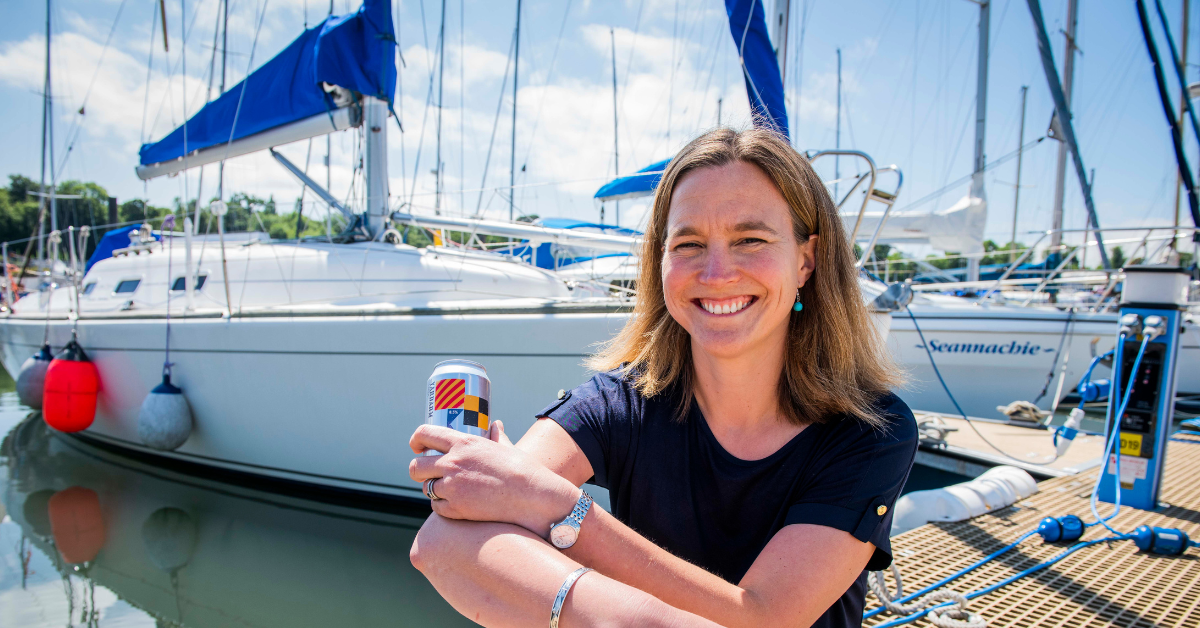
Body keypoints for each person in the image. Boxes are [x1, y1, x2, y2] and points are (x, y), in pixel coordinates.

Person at [408, 127, 917, 628]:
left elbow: (766, 619)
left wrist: (558, 508)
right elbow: (441, 544)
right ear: (661, 260)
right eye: (689, 244)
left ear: (806, 261)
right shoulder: (617, 404)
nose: (716, 273)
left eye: (750, 239)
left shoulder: (870, 430)